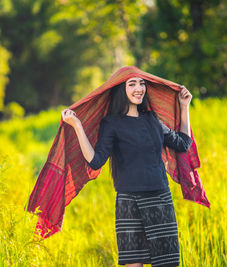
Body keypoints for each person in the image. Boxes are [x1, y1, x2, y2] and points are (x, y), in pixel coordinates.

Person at [61, 76, 193, 267]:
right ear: (121, 89)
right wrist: (77, 127)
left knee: (167, 263)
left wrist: (184, 106)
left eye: (142, 83)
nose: (139, 88)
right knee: (133, 263)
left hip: (159, 200)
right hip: (129, 202)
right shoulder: (112, 123)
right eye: (132, 84)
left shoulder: (152, 119)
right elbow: (96, 161)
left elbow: (183, 143)